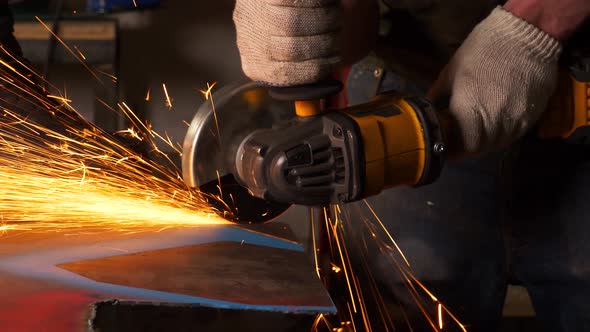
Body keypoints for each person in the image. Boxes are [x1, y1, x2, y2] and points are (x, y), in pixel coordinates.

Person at [233, 0, 590, 331]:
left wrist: (537, 23)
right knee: (406, 308)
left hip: (576, 91)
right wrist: (313, 26)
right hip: (415, 93)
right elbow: (358, 20)